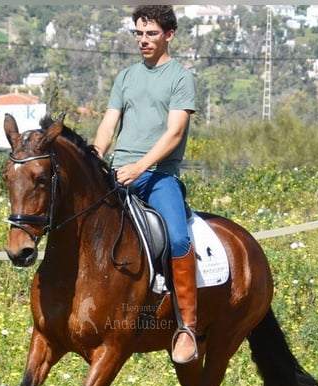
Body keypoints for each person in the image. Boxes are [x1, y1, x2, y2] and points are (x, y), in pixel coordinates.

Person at [93, 4, 198, 364]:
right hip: (118, 172)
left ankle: (187, 326)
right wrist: (95, 157)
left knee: (179, 237)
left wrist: (139, 166)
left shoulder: (180, 78)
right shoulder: (125, 77)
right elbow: (109, 126)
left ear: (169, 34)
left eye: (151, 33)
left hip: (158, 175)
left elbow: (175, 133)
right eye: (138, 33)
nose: (143, 40)